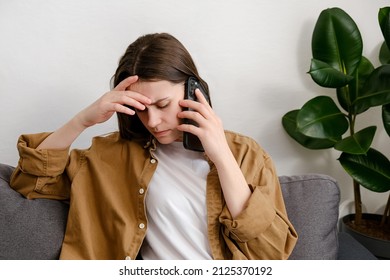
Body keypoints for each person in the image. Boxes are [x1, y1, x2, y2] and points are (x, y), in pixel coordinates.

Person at [10, 32, 297, 260]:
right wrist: (82, 120)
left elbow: (270, 255)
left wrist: (221, 155)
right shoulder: (107, 157)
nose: (154, 121)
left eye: (162, 105)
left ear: (193, 90)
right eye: (141, 109)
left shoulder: (245, 154)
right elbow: (30, 183)